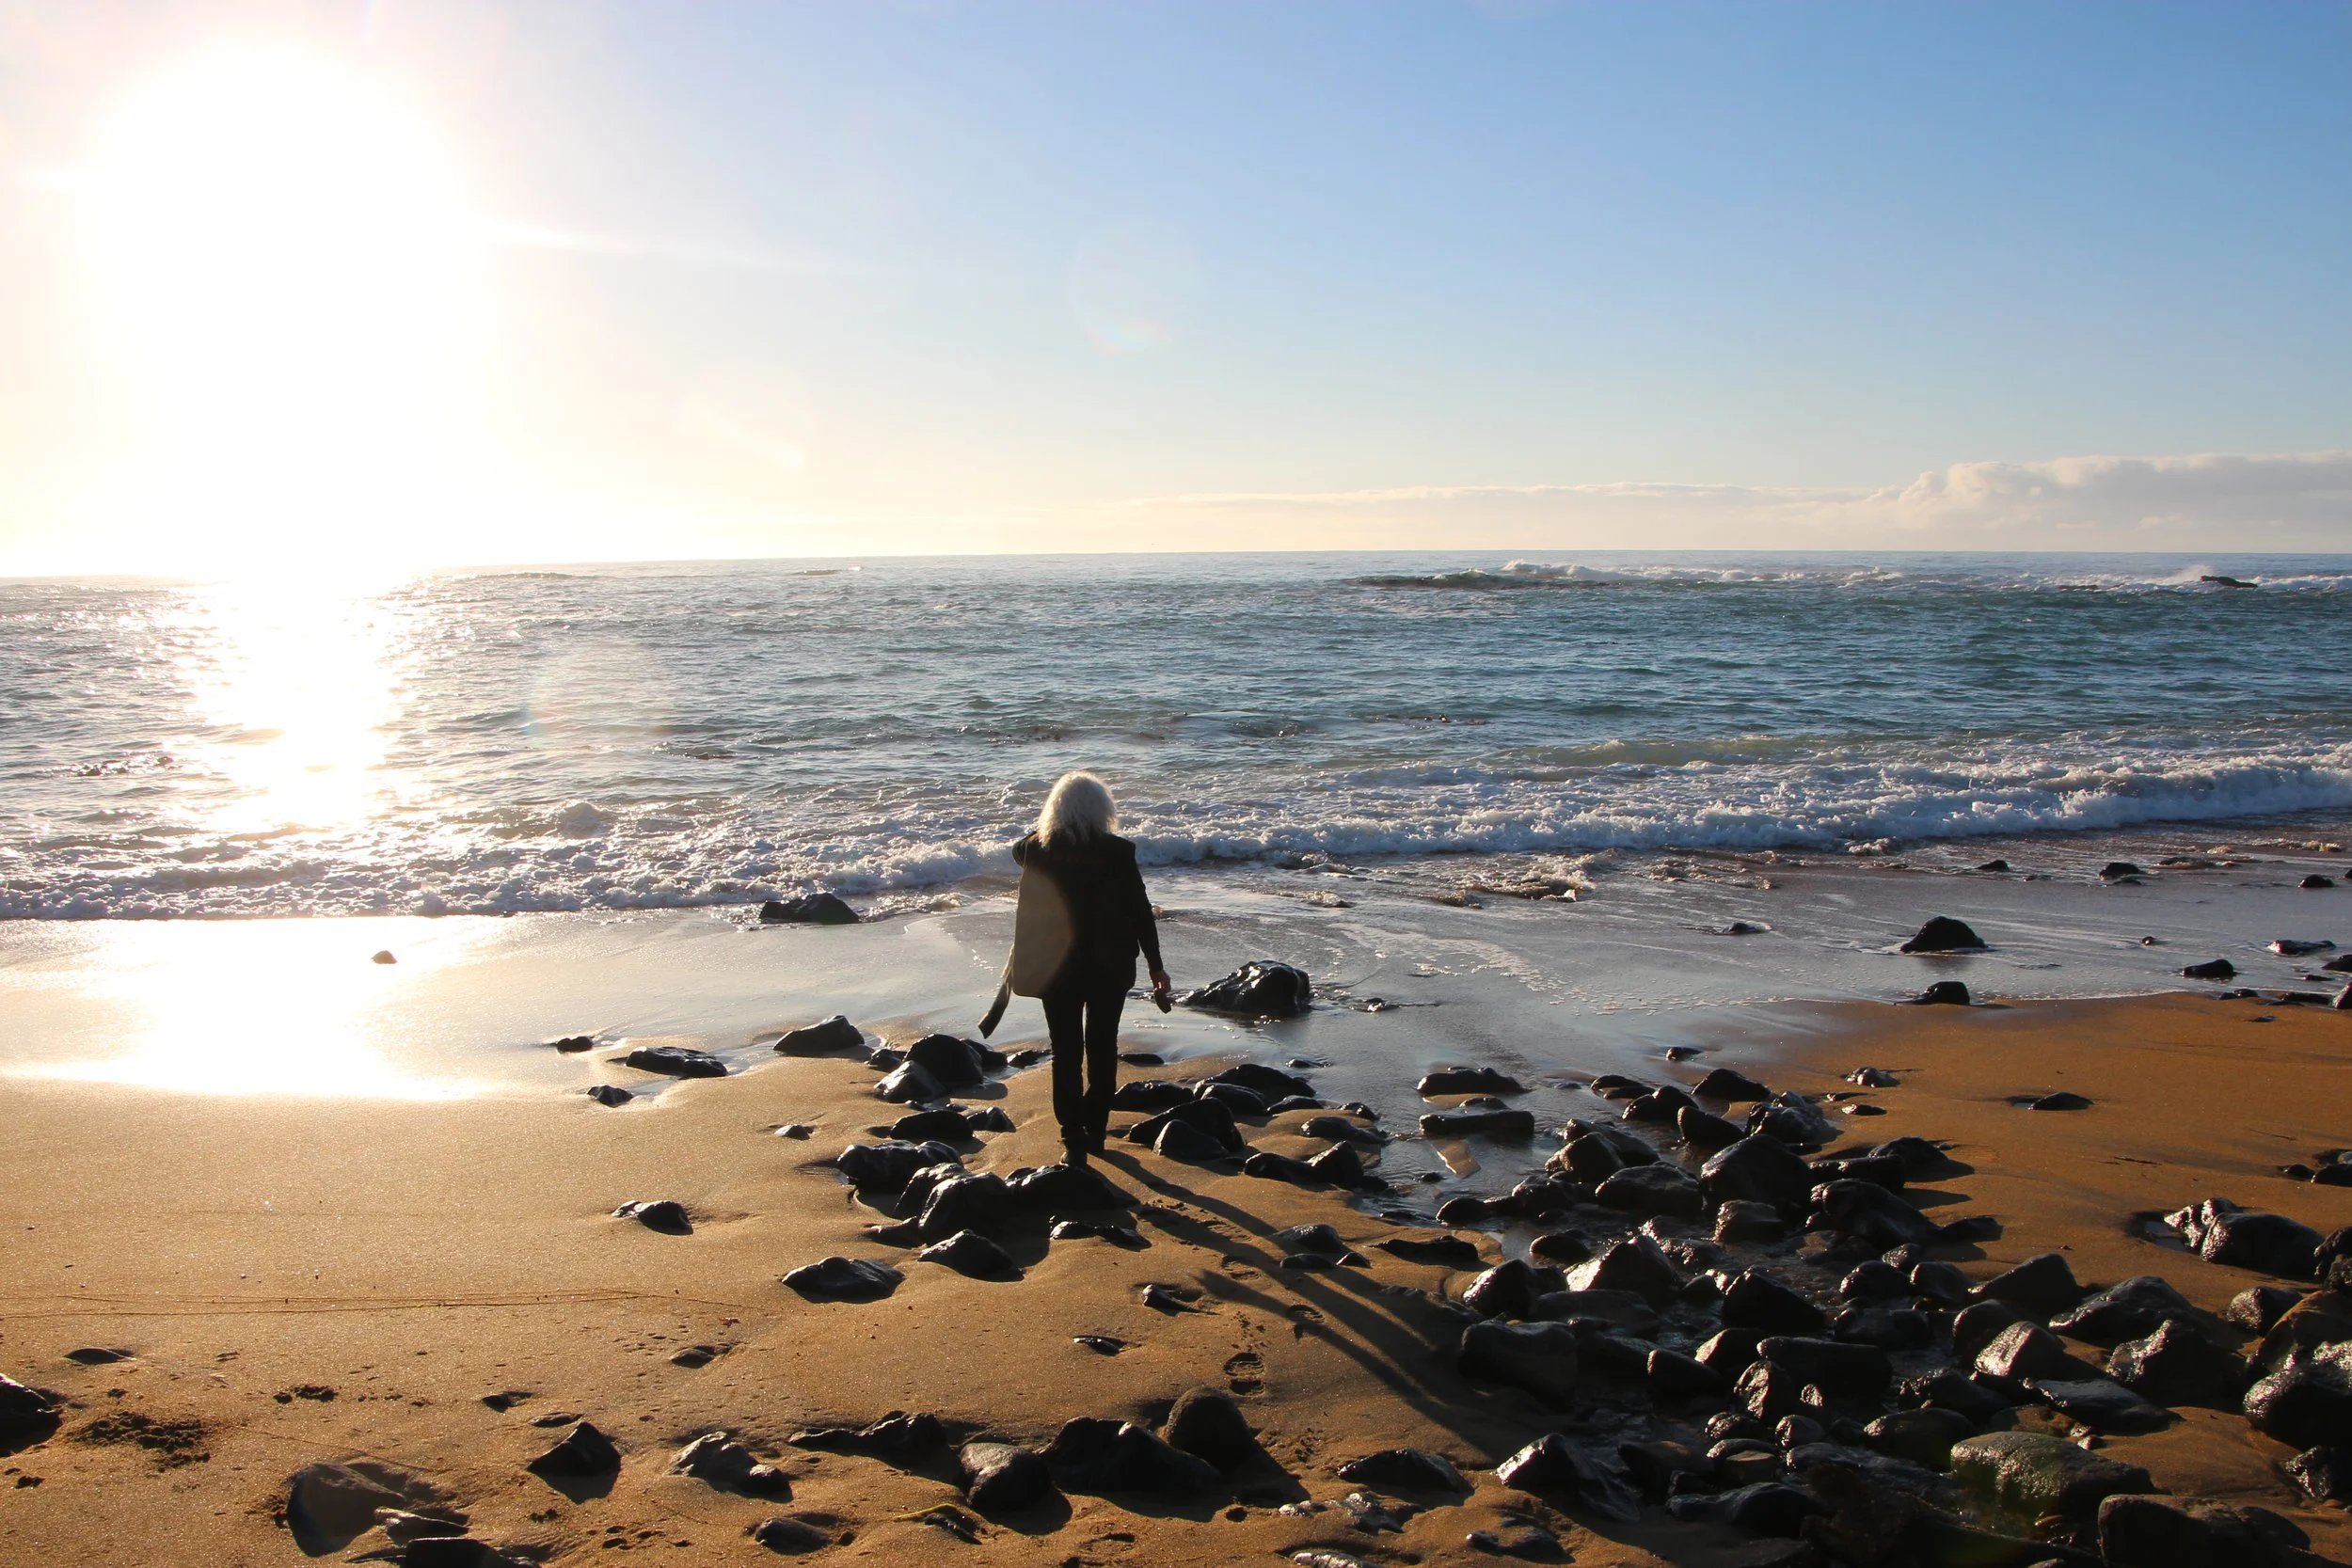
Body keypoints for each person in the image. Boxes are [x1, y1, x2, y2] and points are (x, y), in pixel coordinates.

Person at [1009, 771, 1169, 1165]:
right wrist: (1156, 967)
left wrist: (1049, 824)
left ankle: (1071, 1132)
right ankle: (1096, 1129)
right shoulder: (1118, 852)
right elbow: (1139, 913)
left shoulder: (1037, 850)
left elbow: (1018, 848)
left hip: (1057, 966)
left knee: (1065, 1051)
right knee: (1102, 1047)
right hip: (1109, 966)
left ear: (1055, 810)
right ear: (1103, 810)